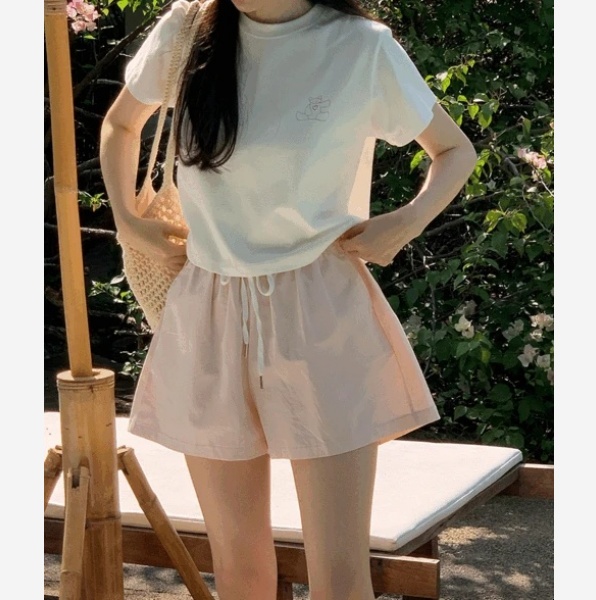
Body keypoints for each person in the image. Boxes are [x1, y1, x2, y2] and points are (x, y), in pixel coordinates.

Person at [100, 0, 477, 598]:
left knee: (339, 573)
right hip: (208, 310)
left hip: (319, 306)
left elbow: (454, 150)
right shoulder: (188, 30)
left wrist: (404, 223)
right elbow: (122, 124)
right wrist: (127, 220)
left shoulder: (361, 46)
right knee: (238, 569)